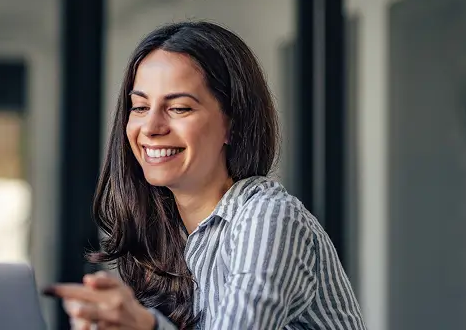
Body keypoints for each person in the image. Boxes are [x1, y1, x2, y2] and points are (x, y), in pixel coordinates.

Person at [45, 22, 365, 329]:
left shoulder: (270, 217)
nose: (151, 128)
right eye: (140, 107)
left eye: (179, 108)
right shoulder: (168, 236)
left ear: (233, 124)